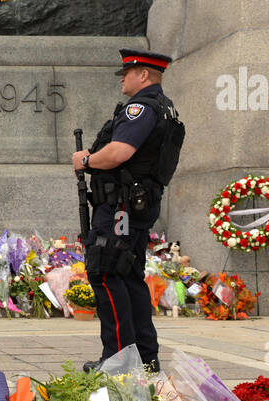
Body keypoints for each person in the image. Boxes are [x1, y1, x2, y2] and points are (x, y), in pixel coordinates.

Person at [72, 49, 185, 373]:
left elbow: (120, 152)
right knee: (129, 276)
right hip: (135, 206)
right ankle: (145, 358)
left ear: (144, 75)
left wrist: (86, 161)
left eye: (127, 72)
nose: (122, 78)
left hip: (120, 206)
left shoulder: (141, 108)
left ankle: (118, 359)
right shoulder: (164, 108)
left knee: (106, 272)